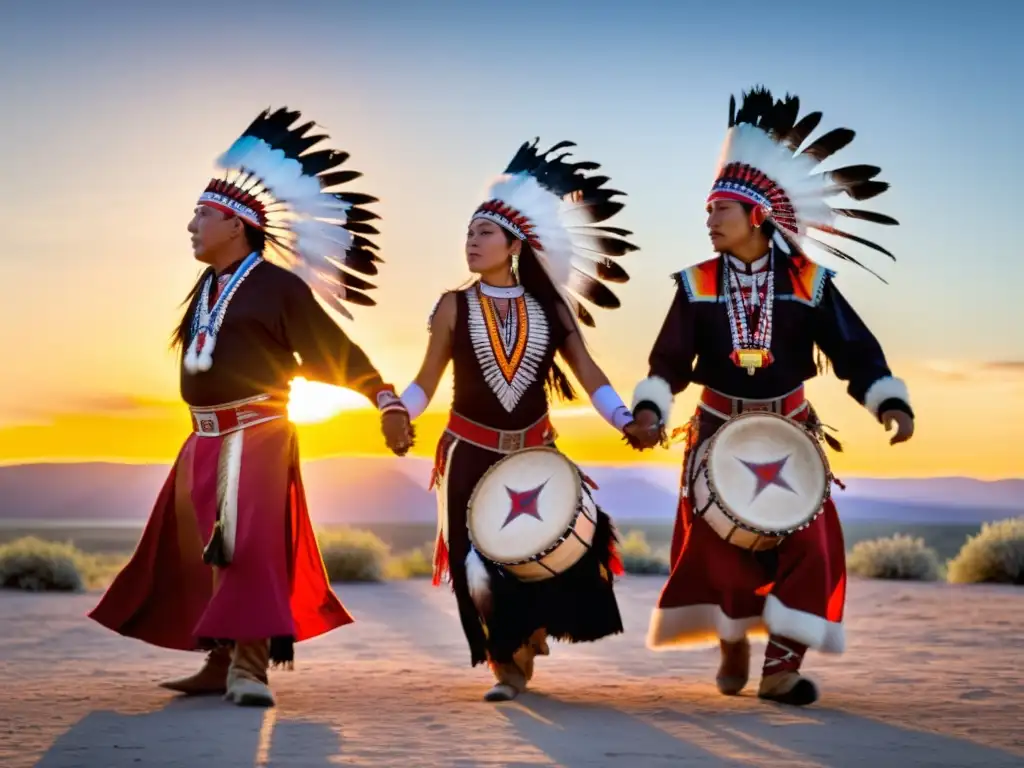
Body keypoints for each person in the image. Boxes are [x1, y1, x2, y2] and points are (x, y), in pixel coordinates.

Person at [88, 107, 410, 707]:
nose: (190, 226)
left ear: (236, 225)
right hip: (203, 438)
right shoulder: (208, 287)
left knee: (244, 544)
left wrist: (384, 399)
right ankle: (218, 660)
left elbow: (331, 350)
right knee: (197, 549)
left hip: (258, 434)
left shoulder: (278, 286)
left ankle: (250, 669)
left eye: (202, 216)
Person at [628, 86, 915, 707]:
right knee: (716, 547)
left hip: (791, 433)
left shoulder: (809, 284)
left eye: (718, 211)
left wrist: (887, 399)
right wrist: (651, 409)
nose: (708, 222)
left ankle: (782, 666)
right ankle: (732, 639)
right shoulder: (698, 283)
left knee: (810, 543)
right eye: (706, 212)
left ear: (756, 214)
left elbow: (852, 346)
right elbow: (669, 360)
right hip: (715, 432)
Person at [384, 138, 648, 701]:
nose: (471, 243)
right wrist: (398, 412)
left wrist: (625, 419)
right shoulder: (453, 305)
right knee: (473, 561)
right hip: (468, 453)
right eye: (468, 234)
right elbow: (427, 378)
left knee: (546, 550)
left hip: (534, 452)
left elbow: (589, 371)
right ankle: (504, 663)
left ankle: (528, 635)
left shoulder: (551, 308)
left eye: (483, 233)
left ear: (514, 244)